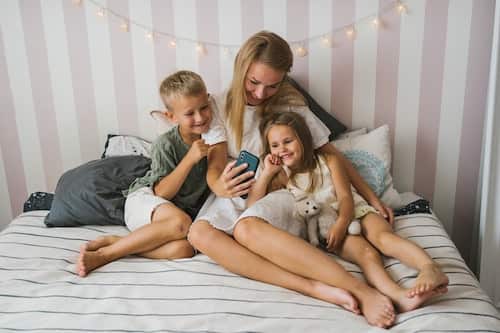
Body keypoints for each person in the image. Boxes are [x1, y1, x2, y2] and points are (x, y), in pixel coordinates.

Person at [187, 30, 398, 328]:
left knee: (246, 231)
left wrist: (374, 198)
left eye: (272, 86)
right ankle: (313, 287)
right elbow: (215, 163)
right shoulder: (218, 105)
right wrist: (217, 184)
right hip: (236, 191)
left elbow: (332, 155)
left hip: (279, 189)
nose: (261, 94)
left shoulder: (289, 105)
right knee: (198, 234)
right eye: (254, 83)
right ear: (240, 69)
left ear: (284, 79)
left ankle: (360, 290)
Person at [248, 110, 449, 313]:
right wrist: (266, 174)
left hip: (355, 211)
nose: (282, 149)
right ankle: (398, 296)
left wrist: (343, 222)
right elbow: (252, 209)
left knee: (383, 238)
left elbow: (345, 197)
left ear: (303, 138)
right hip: (328, 227)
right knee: (367, 254)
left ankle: (429, 267)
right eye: (275, 145)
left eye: (288, 141)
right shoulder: (282, 176)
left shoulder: (328, 160)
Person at [77, 70, 212, 277]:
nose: (200, 117)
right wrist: (190, 159)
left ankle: (120, 243)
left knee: (183, 250)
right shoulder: (165, 144)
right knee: (181, 223)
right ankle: (106, 255)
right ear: (171, 117)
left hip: (173, 219)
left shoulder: (215, 139)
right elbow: (162, 193)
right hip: (146, 200)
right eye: (189, 113)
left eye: (204, 108)